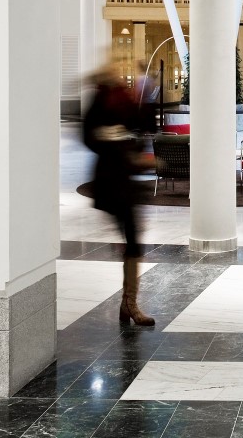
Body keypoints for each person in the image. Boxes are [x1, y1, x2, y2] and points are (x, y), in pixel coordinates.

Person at [83, 64, 154, 326]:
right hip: (110, 181)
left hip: (126, 180)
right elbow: (88, 137)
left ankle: (129, 304)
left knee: (134, 238)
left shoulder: (126, 99)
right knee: (132, 237)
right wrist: (112, 138)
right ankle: (129, 304)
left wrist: (135, 150)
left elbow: (140, 131)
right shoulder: (100, 100)